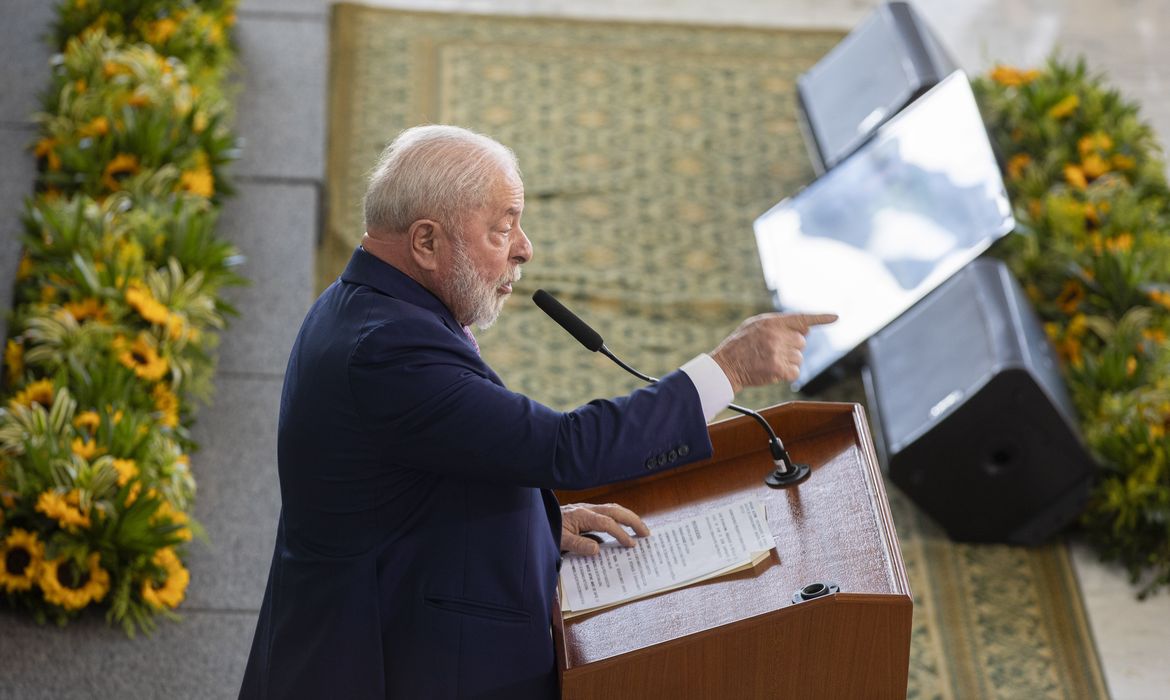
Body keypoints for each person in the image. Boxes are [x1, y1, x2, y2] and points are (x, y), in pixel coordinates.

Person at [239, 125, 836, 699]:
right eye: (503, 229)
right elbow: (562, 448)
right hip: (387, 662)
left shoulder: (372, 305)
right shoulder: (386, 353)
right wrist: (727, 370)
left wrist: (541, 524)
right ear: (425, 242)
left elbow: (438, 466)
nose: (525, 249)